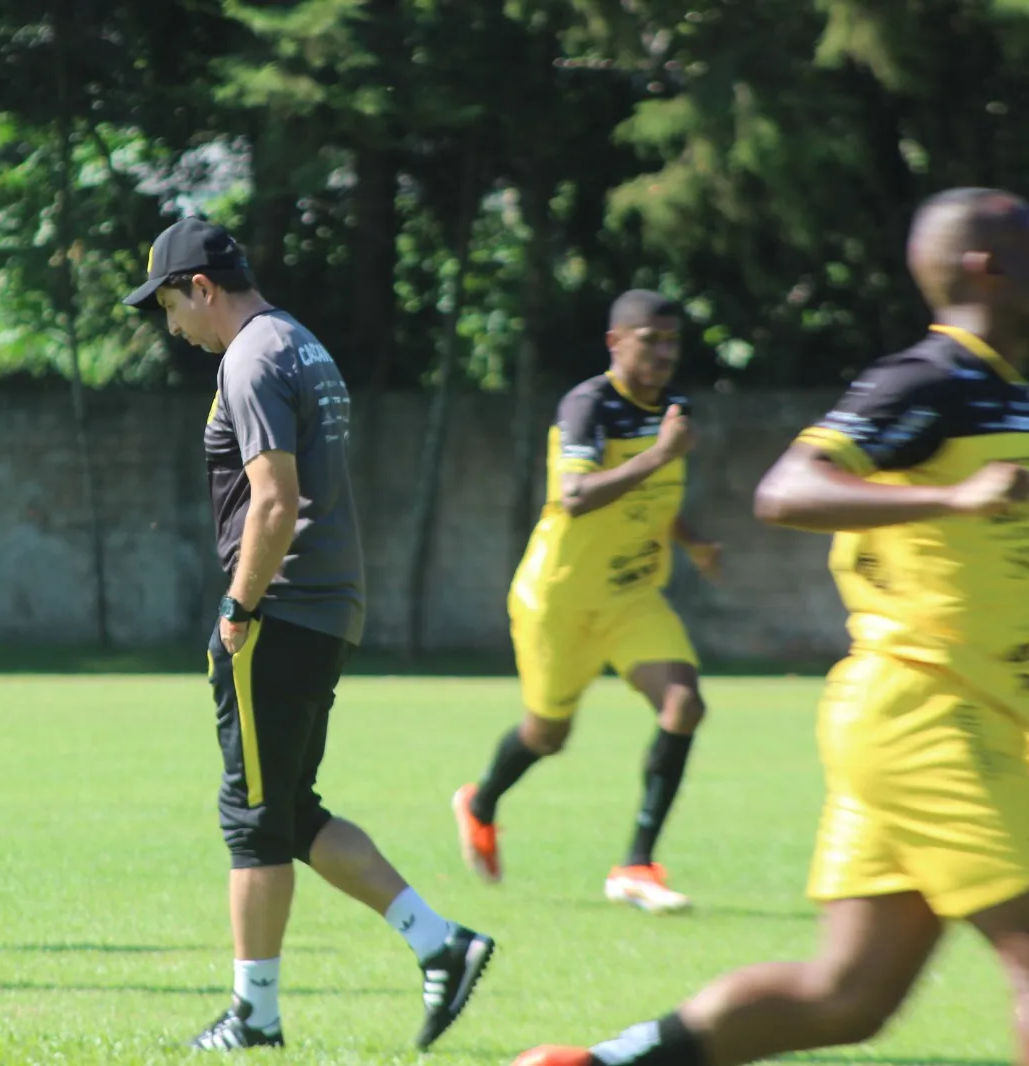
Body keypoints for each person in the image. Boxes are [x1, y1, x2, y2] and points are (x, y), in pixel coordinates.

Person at [514, 186, 1029, 1066]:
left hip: (962, 715)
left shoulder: (1008, 389)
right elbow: (786, 490)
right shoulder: (933, 378)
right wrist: (953, 494)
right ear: (989, 267)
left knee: (844, 998)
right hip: (933, 713)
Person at [123, 217, 494, 1052]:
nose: (170, 325)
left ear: (203, 288)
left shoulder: (248, 358)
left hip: (280, 611)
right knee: (289, 812)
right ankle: (441, 944)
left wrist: (237, 609)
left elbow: (276, 501)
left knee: (251, 817)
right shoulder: (300, 343)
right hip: (326, 607)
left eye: (169, 306)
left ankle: (255, 1016)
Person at [451, 290, 721, 914]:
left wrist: (695, 541)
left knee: (684, 705)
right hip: (560, 599)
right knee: (547, 735)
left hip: (632, 596)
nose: (662, 354)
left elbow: (655, 496)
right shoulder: (588, 405)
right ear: (615, 343)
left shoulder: (674, 410)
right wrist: (660, 454)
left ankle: (636, 866)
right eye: (649, 340)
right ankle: (481, 802)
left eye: (671, 342)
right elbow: (574, 496)